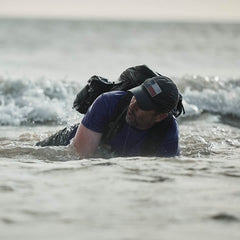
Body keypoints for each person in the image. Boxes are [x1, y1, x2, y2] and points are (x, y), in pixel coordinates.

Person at [36, 70, 184, 158]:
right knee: (33, 151)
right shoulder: (107, 102)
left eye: (142, 105)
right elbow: (80, 158)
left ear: (160, 116)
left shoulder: (168, 133)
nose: (133, 105)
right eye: (135, 96)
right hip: (74, 138)